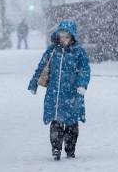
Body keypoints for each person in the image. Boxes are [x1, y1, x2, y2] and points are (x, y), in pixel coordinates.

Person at [28, 20, 90, 161]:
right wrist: (33, 83)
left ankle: (70, 150)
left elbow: (85, 70)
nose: (64, 39)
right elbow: (41, 66)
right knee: (55, 123)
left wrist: (82, 84)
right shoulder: (52, 51)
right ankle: (56, 149)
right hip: (54, 94)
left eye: (67, 36)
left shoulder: (78, 52)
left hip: (73, 93)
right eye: (61, 36)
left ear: (72, 37)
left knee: (72, 124)